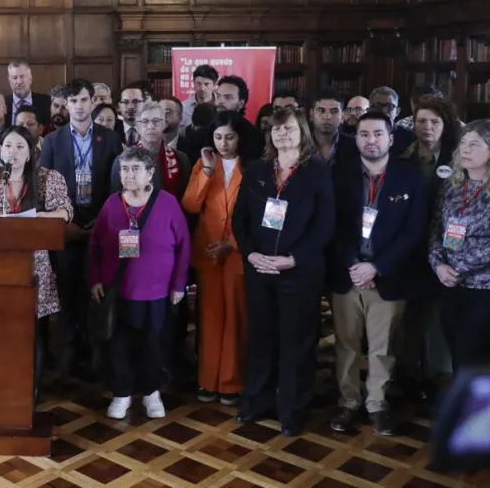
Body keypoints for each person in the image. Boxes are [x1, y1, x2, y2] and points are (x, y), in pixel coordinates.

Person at [232, 108, 335, 436]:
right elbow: (240, 219)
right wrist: (250, 255)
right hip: (260, 270)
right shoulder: (257, 169)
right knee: (261, 338)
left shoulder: (316, 171)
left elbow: (325, 225)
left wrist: (294, 259)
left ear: (302, 132)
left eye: (288, 129)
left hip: (298, 272)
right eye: (276, 130)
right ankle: (257, 401)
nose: (282, 135)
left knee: (297, 343)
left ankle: (292, 410)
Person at [327, 113, 427, 436]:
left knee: (383, 348)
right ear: (355, 139)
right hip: (348, 274)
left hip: (389, 277)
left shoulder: (410, 177)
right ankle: (348, 402)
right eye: (364, 134)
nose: (371, 140)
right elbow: (334, 227)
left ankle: (377, 404)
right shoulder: (340, 175)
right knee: (347, 344)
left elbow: (414, 232)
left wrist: (377, 266)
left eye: (378, 134)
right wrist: (355, 265)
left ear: (390, 138)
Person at [0, 125, 72, 397]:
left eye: (20, 146)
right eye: (8, 146)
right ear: (0, 150)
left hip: (33, 265)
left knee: (31, 331)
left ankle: (30, 389)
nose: (13, 152)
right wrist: (2, 221)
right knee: (2, 330)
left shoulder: (47, 177)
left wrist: (32, 219)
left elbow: (64, 212)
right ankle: (3, 390)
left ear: (31, 151)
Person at [89, 147, 190, 420]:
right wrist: (95, 279)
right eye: (124, 169)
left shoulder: (167, 203)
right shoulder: (112, 204)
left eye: (135, 169)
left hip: (157, 291)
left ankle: (151, 393)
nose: (129, 175)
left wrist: (179, 284)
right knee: (119, 343)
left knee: (153, 344)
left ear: (150, 173)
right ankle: (121, 393)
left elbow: (184, 246)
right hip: (119, 289)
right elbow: (95, 245)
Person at [40, 79, 122, 378]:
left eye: (83, 100)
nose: (78, 106)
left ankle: (97, 356)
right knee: (67, 292)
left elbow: (117, 186)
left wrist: (103, 220)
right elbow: (44, 186)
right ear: (66, 105)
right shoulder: (52, 141)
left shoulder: (110, 138)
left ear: (92, 103)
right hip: (66, 226)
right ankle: (69, 356)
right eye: (72, 101)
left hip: (101, 224)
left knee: (98, 292)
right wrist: (64, 224)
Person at [429, 120, 490, 370]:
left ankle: (469, 406)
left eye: (474, 144)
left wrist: (458, 267)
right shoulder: (452, 186)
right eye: (463, 143)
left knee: (471, 351)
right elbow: (435, 228)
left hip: (488, 286)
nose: (465, 149)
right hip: (450, 281)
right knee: (455, 347)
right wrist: (438, 265)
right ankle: (462, 401)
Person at [182, 111, 250, 407]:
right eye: (218, 137)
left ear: (241, 138)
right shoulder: (203, 163)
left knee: (236, 318)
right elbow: (190, 204)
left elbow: (254, 216)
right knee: (209, 320)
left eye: (230, 137)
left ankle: (231, 382)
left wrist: (232, 244)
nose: (223, 143)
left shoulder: (253, 167)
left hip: (237, 253)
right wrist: (207, 171)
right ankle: (208, 380)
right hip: (208, 251)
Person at [397, 97, 461, 400]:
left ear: (445, 124)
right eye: (421, 121)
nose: (427, 127)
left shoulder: (457, 158)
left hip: (444, 253)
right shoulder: (402, 155)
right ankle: (407, 376)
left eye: (434, 121)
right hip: (407, 250)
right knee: (408, 318)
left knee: (437, 319)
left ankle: (437, 380)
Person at [111, 101, 191, 199]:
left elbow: (185, 200)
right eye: (145, 121)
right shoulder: (122, 161)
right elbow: (116, 201)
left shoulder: (181, 159)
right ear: (138, 126)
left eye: (156, 121)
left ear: (164, 124)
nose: (150, 126)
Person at [5, 59, 51, 125]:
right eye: (14, 78)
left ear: (30, 79)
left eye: (22, 77)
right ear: (9, 81)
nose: (19, 82)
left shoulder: (47, 102)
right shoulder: (3, 103)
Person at [181, 65, 218, 129]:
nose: (202, 88)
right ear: (193, 83)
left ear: (214, 85)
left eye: (206, 84)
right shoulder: (183, 107)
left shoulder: (222, 105)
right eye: (198, 83)